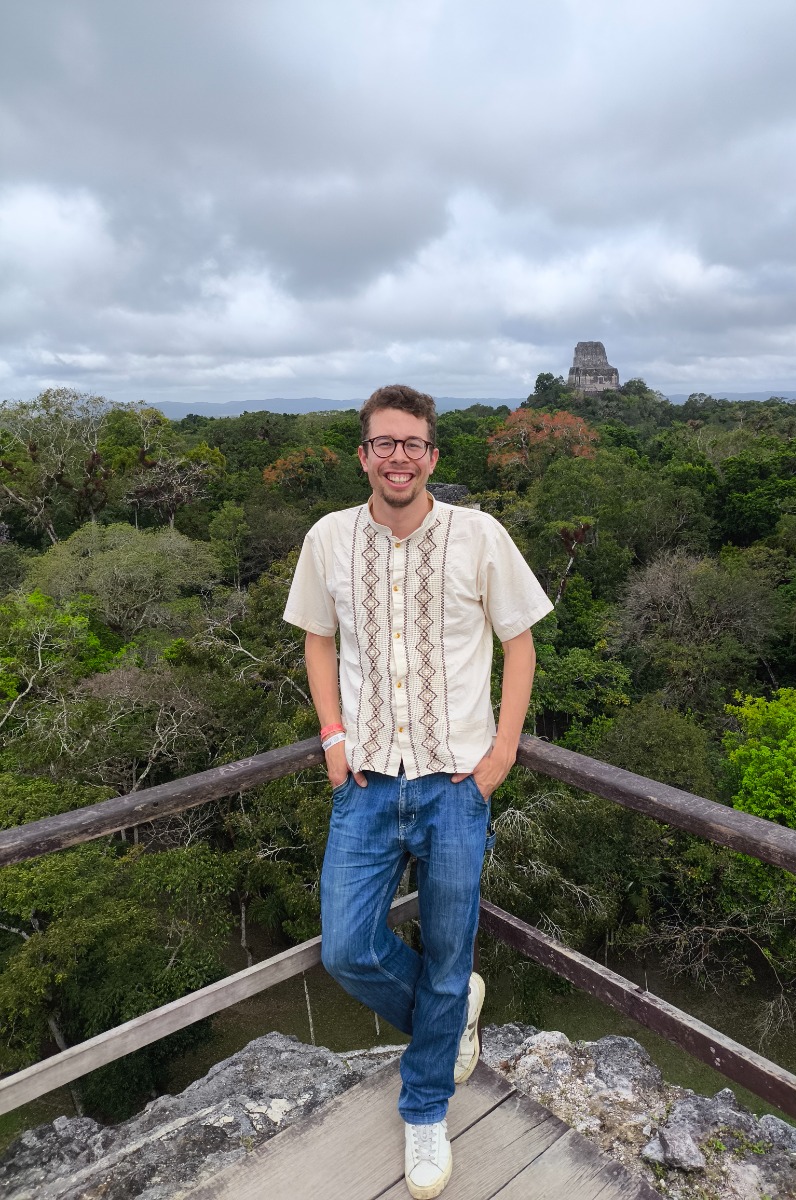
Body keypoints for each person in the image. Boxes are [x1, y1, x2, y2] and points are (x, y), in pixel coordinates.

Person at [283, 384, 552, 1198]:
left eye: (412, 444)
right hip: (366, 780)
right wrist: (332, 738)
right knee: (347, 947)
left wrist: (502, 752)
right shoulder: (328, 538)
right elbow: (318, 640)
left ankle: (426, 1107)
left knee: (447, 947)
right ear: (362, 455)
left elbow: (520, 643)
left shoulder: (478, 535)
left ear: (431, 456)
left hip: (456, 784)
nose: (397, 457)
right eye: (383, 443)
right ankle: (450, 1011)